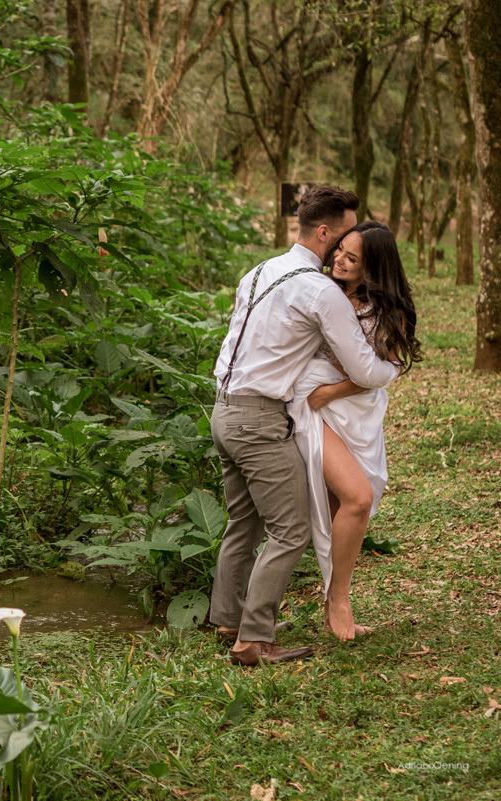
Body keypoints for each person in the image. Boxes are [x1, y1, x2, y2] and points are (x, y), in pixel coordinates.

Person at [209, 185, 400, 667]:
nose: (342, 249)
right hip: (258, 419)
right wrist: (393, 369)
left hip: (222, 411)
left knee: (243, 522)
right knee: (290, 530)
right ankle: (253, 639)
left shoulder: (260, 270)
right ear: (324, 231)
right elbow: (364, 369)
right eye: (343, 237)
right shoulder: (317, 290)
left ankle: (228, 619)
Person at [286, 221, 422, 641]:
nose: (339, 261)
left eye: (352, 258)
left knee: (340, 506)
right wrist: (322, 393)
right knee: (357, 497)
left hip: (354, 411)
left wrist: (334, 390)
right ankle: (338, 600)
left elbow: (387, 369)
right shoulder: (322, 292)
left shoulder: (389, 309)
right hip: (313, 407)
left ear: (374, 267)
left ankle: (330, 600)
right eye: (340, 251)